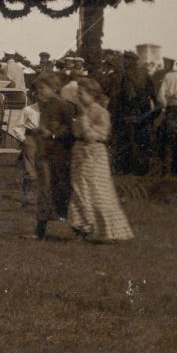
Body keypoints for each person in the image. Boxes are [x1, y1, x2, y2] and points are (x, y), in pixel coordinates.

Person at [68, 77, 134, 243]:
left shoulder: (101, 113)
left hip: (94, 154)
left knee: (97, 190)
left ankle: (107, 231)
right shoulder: (79, 111)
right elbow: (76, 133)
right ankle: (82, 229)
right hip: (79, 153)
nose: (79, 96)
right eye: (78, 93)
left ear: (92, 94)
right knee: (80, 190)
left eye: (81, 93)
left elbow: (91, 136)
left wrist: (83, 118)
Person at [33, 72, 76, 240]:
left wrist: (51, 135)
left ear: (54, 88)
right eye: (37, 90)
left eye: (42, 88)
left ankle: (69, 229)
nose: (39, 93)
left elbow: (71, 132)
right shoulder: (45, 105)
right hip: (45, 154)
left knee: (60, 191)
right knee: (44, 191)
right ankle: (40, 230)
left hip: (59, 156)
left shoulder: (65, 106)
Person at [12, 95, 41, 206]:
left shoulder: (51, 110)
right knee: (30, 171)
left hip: (46, 141)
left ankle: (43, 198)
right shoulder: (28, 110)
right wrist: (24, 139)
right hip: (31, 141)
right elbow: (17, 127)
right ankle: (25, 196)